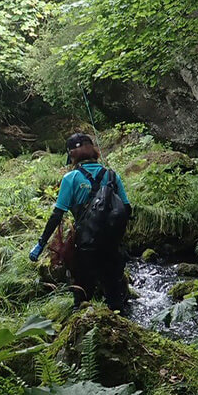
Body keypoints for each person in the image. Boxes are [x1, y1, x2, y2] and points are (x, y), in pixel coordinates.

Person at [28, 132, 132, 313]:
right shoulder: (112, 176)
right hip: (113, 246)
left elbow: (57, 215)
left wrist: (41, 244)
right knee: (115, 299)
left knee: (81, 299)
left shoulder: (71, 178)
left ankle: (82, 322)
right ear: (94, 151)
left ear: (71, 156)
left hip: (85, 247)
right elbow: (127, 209)